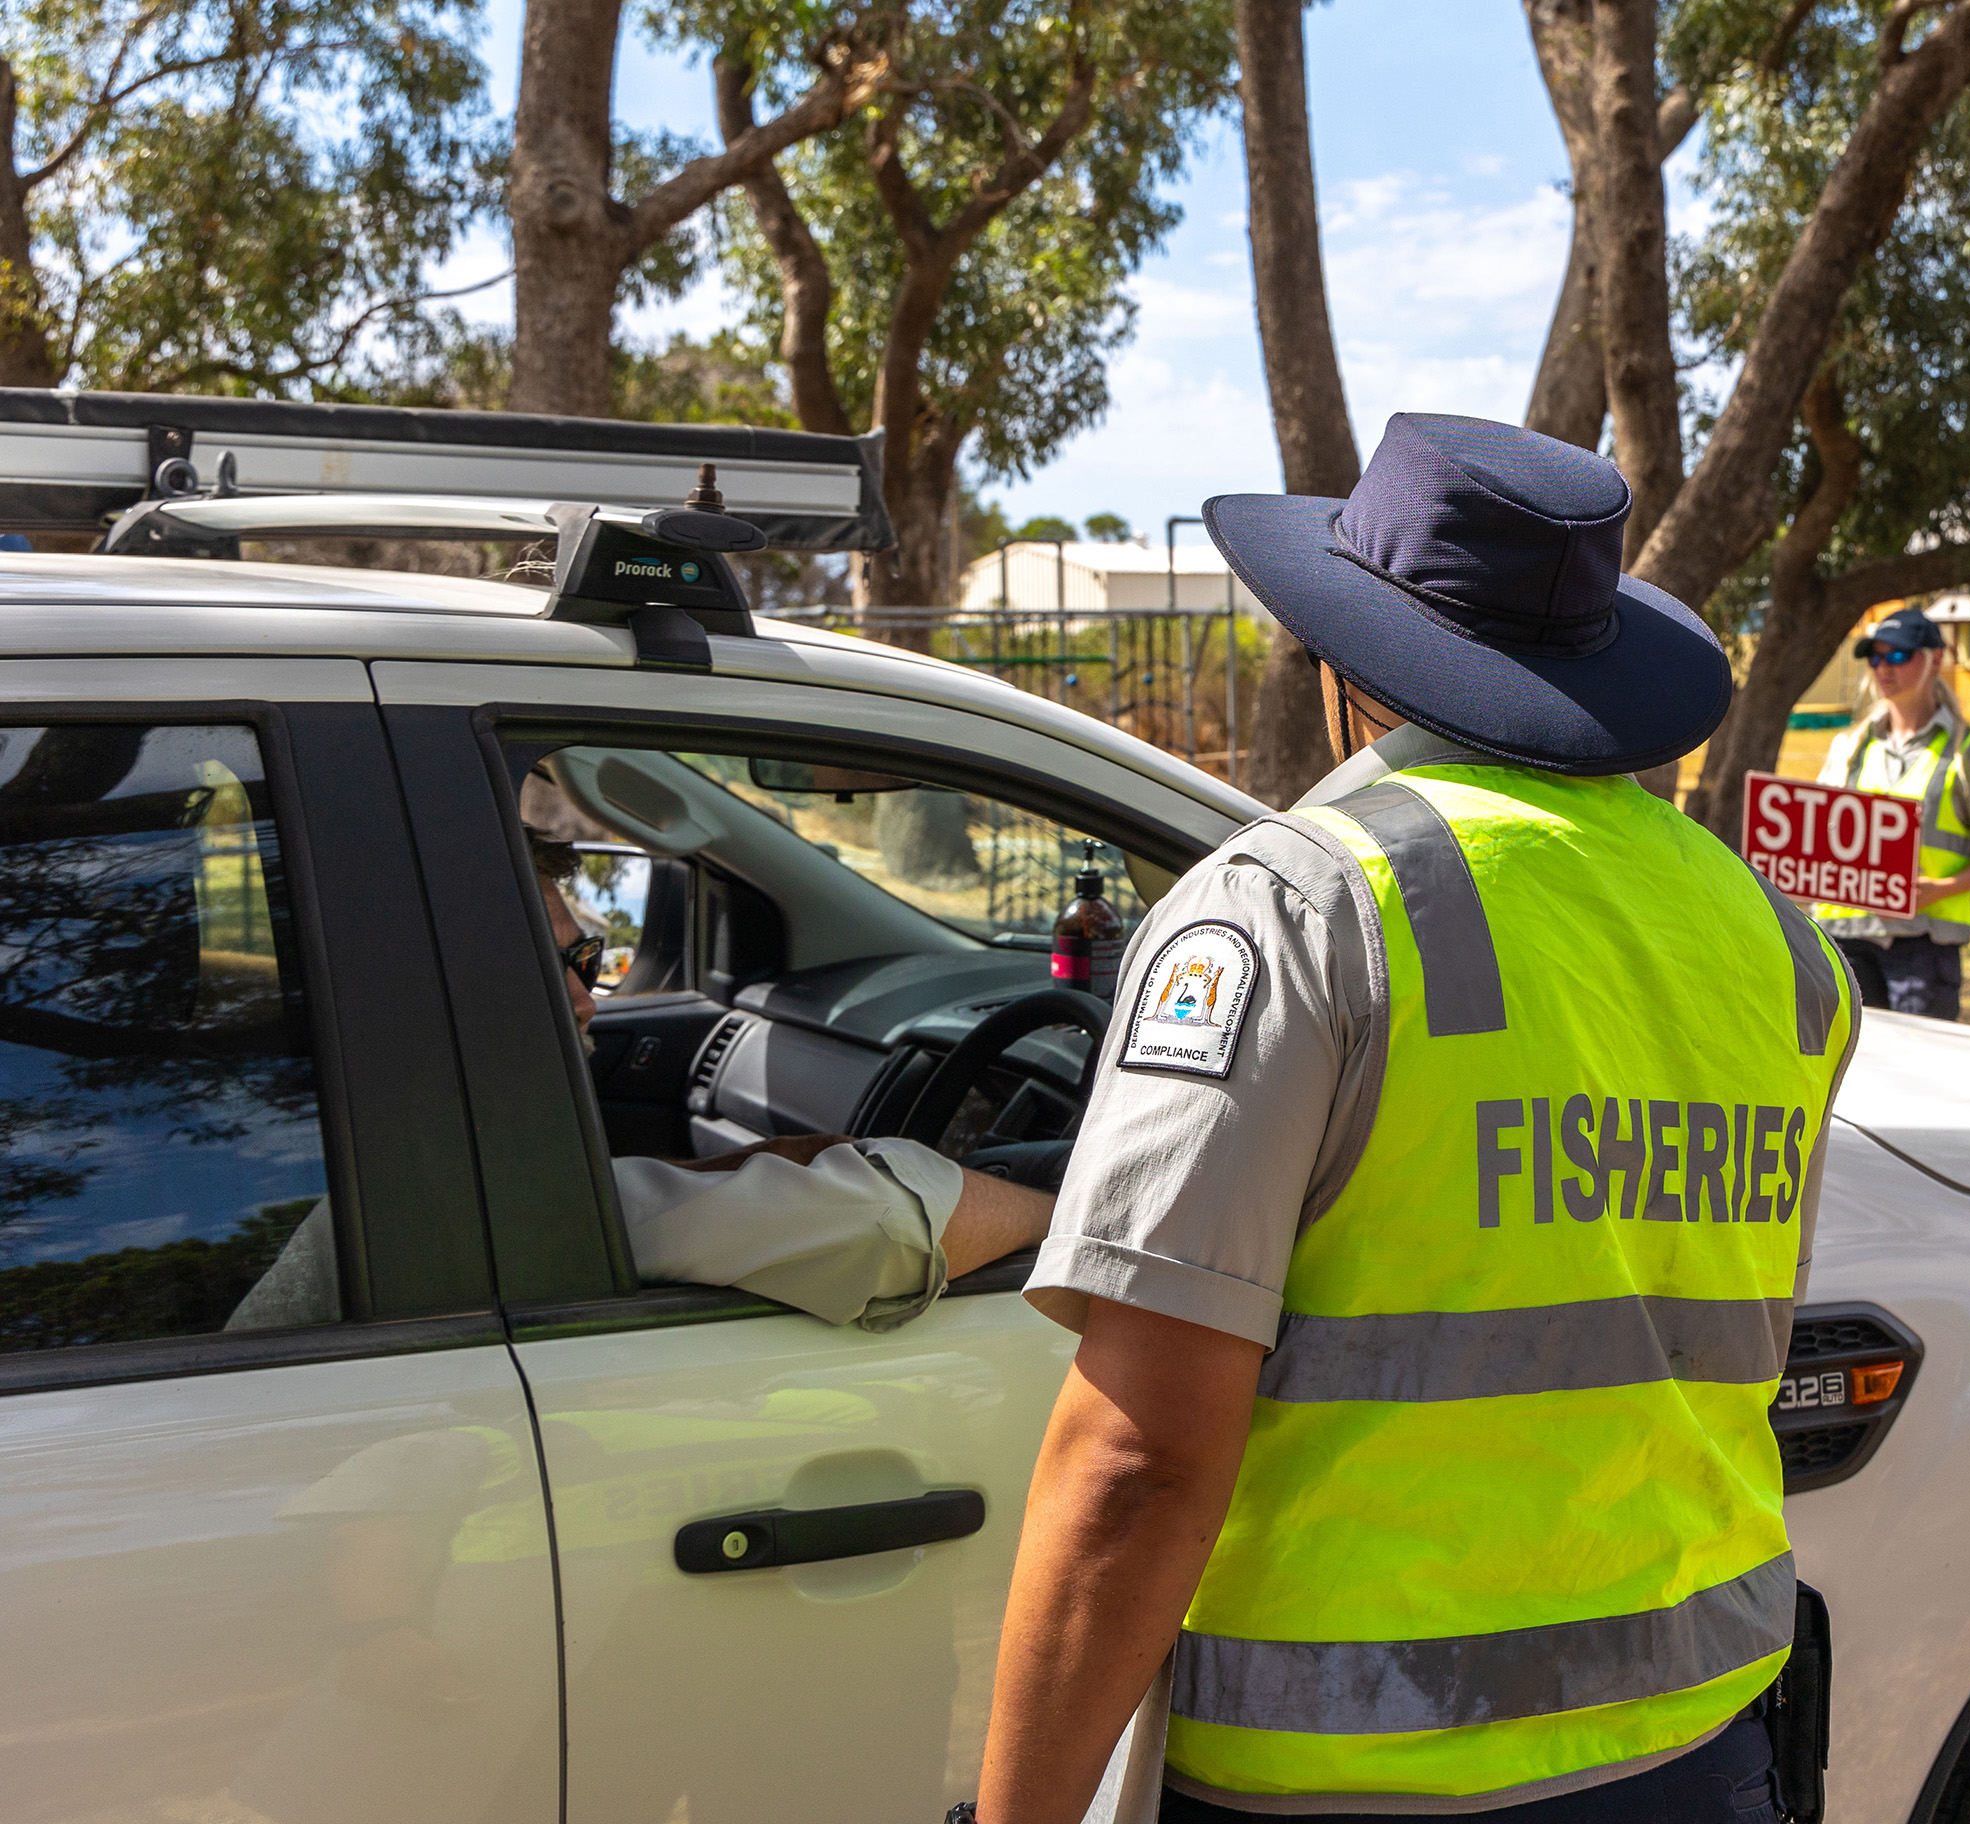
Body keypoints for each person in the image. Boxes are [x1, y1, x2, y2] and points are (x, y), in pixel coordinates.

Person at [972, 414, 1858, 1824]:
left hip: (1357, 1778)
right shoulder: (1777, 941)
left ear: (1345, 672)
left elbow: (1139, 1463)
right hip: (1700, 1752)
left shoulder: (1296, 910)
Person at [229, 838, 1054, 1333]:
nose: (588, 998)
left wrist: (766, 1161)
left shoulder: (347, 1133)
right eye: (541, 968)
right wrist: (1057, 1207)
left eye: (584, 961)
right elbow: (877, 1226)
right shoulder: (451, 1187)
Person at [1807, 607, 1970, 1021]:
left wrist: (1939, 888)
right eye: (1876, 658)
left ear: (1935, 659)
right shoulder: (1849, 748)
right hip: (1844, 942)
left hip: (1921, 949)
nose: (1884, 668)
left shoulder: (1968, 752)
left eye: (1898, 656)